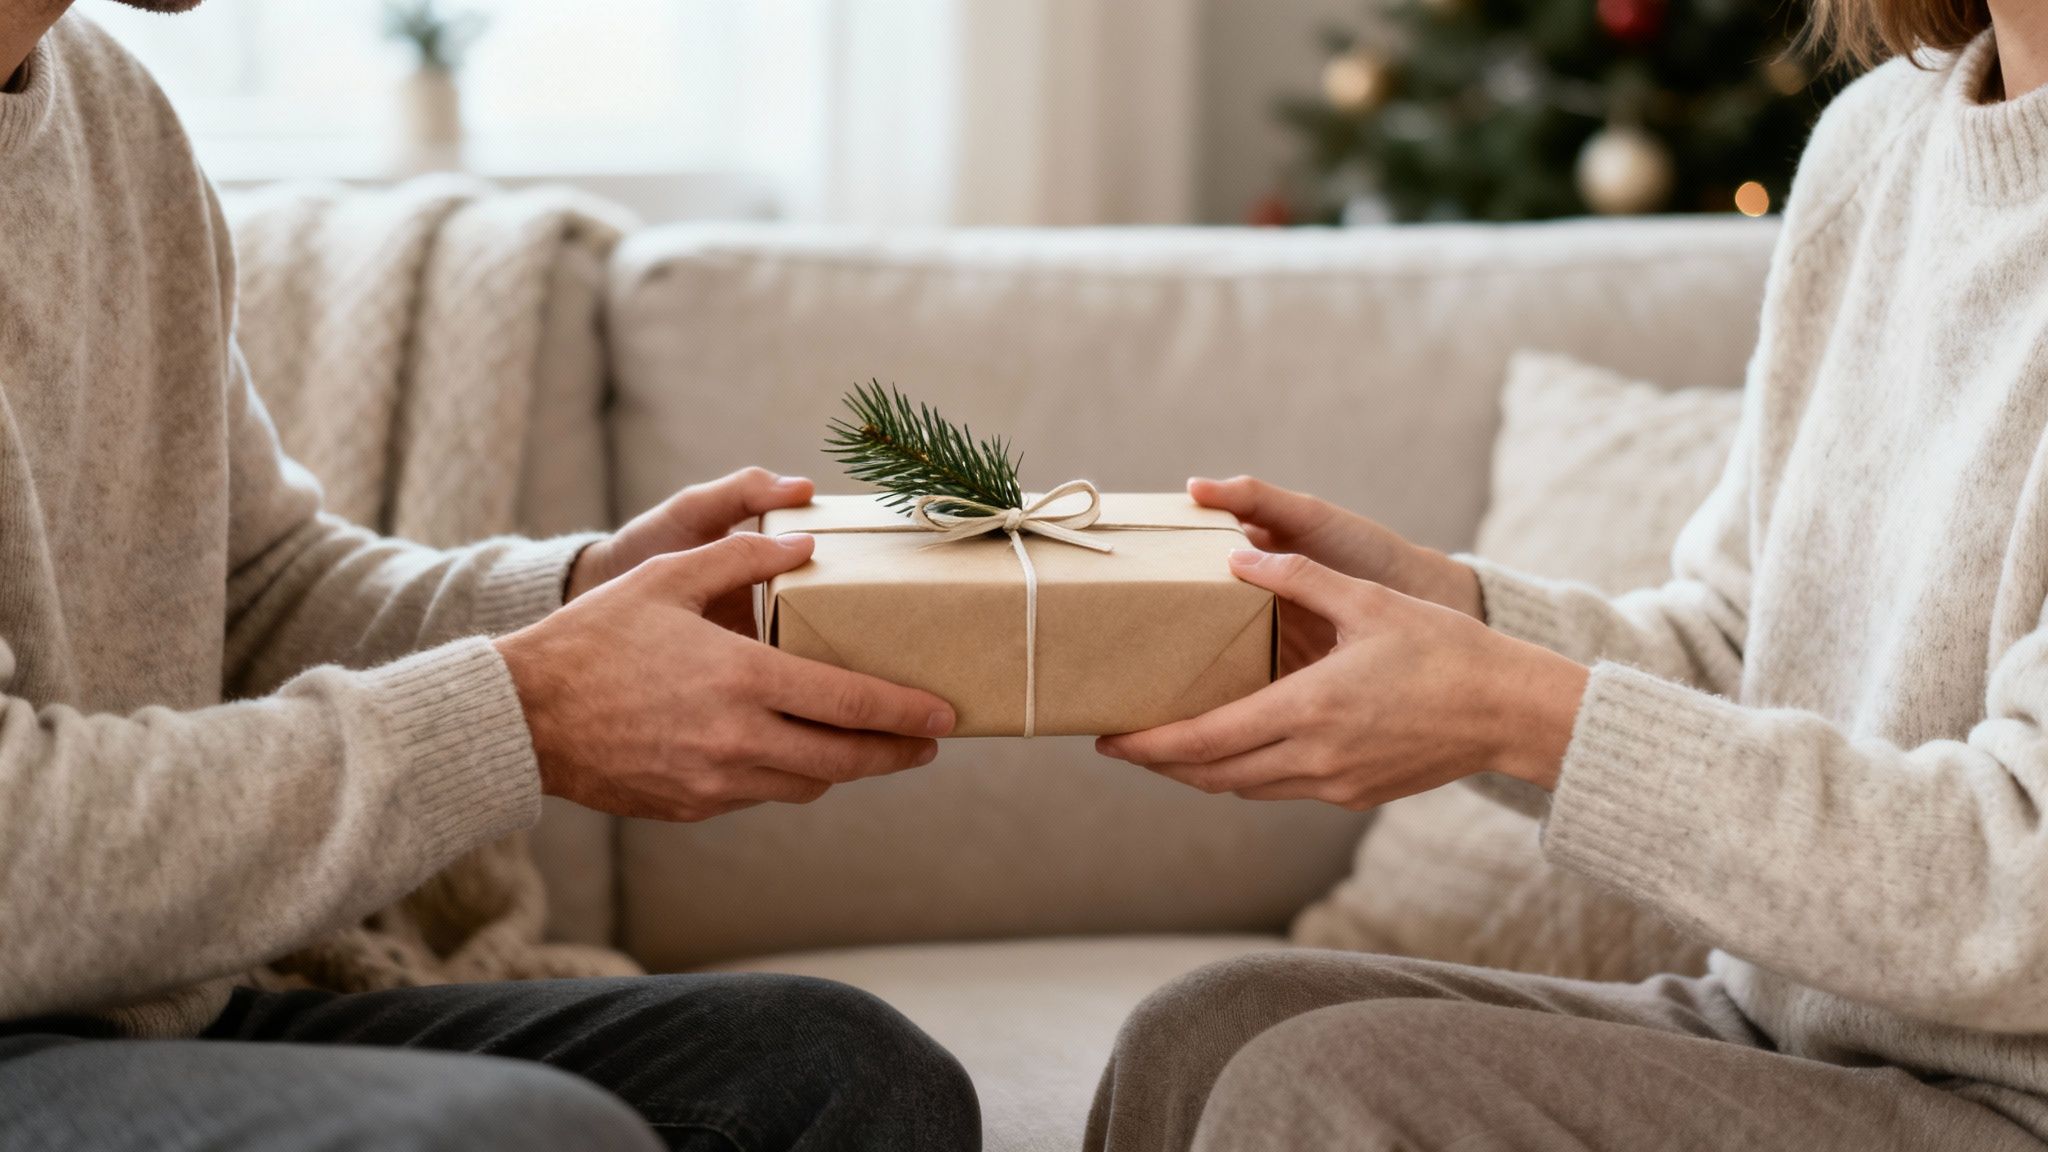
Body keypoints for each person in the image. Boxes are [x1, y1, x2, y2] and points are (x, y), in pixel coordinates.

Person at [0, 4, 978, 1150]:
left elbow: (250, 589)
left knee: (844, 1071)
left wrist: (578, 601)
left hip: (131, 1013)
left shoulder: (111, 109)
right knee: (517, 1135)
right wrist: (523, 715)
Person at [1084, 0, 2048, 1150]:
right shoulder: (1875, 139)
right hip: (1790, 1034)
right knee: (1204, 1030)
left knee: (1325, 1086)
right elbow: (1746, 647)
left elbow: (2018, 894)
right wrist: (1449, 616)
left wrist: (1507, 710)